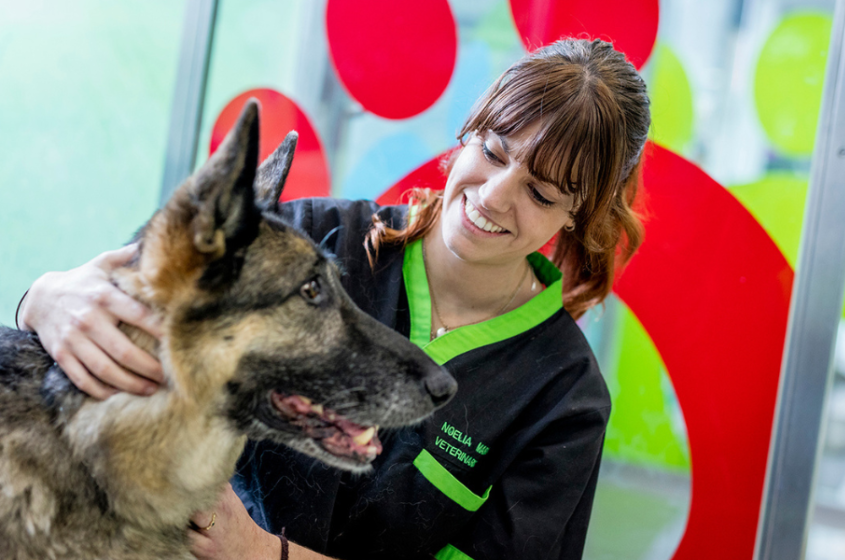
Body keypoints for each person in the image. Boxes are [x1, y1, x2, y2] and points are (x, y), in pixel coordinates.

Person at [16, 38, 650, 559]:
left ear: (579, 216)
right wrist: (42, 300)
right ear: (469, 133)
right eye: (492, 151)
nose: (493, 196)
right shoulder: (314, 236)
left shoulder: (563, 397)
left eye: (541, 193)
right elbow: (136, 307)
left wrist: (267, 556)